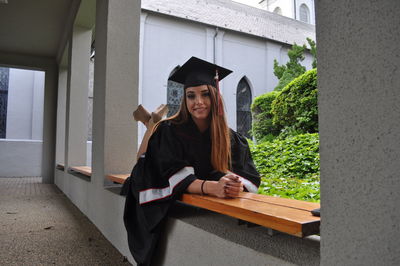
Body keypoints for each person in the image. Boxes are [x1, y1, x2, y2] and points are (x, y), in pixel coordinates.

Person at [122, 56, 260, 265]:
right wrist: (211, 187)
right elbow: (169, 173)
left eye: (205, 94)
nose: (198, 102)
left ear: (215, 96)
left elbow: (246, 175)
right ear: (184, 100)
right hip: (146, 180)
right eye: (191, 96)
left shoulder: (230, 137)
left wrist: (233, 185)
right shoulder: (169, 131)